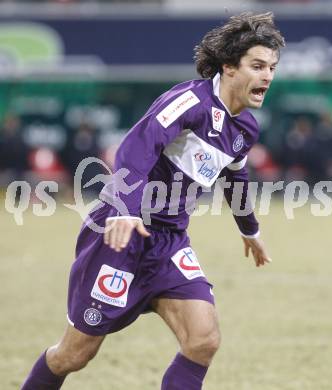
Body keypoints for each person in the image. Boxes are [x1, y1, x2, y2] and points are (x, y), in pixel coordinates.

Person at [22, 12, 285, 390]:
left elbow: (235, 177)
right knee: (74, 355)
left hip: (168, 242)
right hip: (119, 232)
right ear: (229, 68)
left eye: (272, 68)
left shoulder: (244, 127)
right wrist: (127, 211)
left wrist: (250, 229)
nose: (267, 77)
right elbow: (136, 146)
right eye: (257, 66)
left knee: (203, 339)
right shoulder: (189, 101)